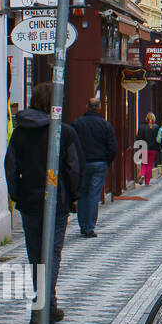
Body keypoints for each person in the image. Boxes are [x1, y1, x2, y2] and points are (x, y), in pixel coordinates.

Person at [4, 82, 82, 324]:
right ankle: (42, 308)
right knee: (51, 255)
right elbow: (73, 168)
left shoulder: (20, 132)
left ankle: (46, 304)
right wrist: (73, 196)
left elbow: (10, 166)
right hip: (56, 201)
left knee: (36, 255)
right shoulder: (64, 132)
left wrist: (17, 194)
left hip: (29, 201)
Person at [70, 96, 117, 238]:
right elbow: (112, 146)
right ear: (99, 108)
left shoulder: (77, 124)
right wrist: (106, 161)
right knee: (94, 195)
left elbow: (71, 144)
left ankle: (83, 225)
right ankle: (90, 227)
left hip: (82, 164)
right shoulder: (105, 125)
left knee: (82, 194)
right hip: (99, 163)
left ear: (87, 107)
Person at [137, 112, 161, 186]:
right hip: (153, 148)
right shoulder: (156, 127)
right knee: (150, 165)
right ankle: (147, 181)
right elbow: (158, 139)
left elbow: (138, 138)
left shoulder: (141, 126)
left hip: (144, 147)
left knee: (144, 163)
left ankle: (142, 175)